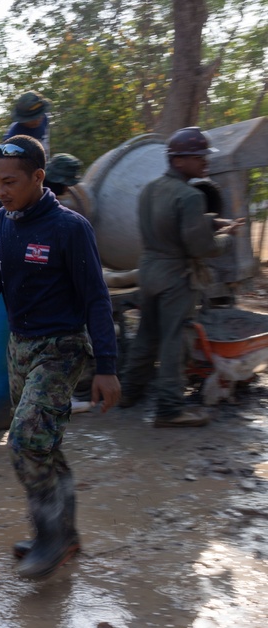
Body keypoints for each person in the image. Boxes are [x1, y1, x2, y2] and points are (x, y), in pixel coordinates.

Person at [0, 135, 121, 580]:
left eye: (11, 182)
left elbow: (96, 299)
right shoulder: (1, 223)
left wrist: (108, 368)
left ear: (39, 178)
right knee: (43, 446)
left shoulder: (69, 228)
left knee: (25, 442)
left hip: (62, 348)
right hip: (19, 347)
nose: (2, 190)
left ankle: (53, 540)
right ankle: (58, 534)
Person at [119, 127, 244, 426]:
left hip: (149, 270)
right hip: (176, 276)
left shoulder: (151, 189)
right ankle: (170, 409)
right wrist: (226, 238)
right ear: (178, 160)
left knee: (147, 335)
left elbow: (171, 220)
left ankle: (127, 392)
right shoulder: (190, 196)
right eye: (198, 156)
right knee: (175, 339)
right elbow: (199, 246)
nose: (205, 161)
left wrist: (212, 221)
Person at [0, 91, 52, 220]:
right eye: (33, 118)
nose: (37, 120)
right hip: (24, 169)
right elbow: (5, 169)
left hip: (43, 165)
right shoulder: (14, 136)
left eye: (39, 116)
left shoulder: (44, 118)